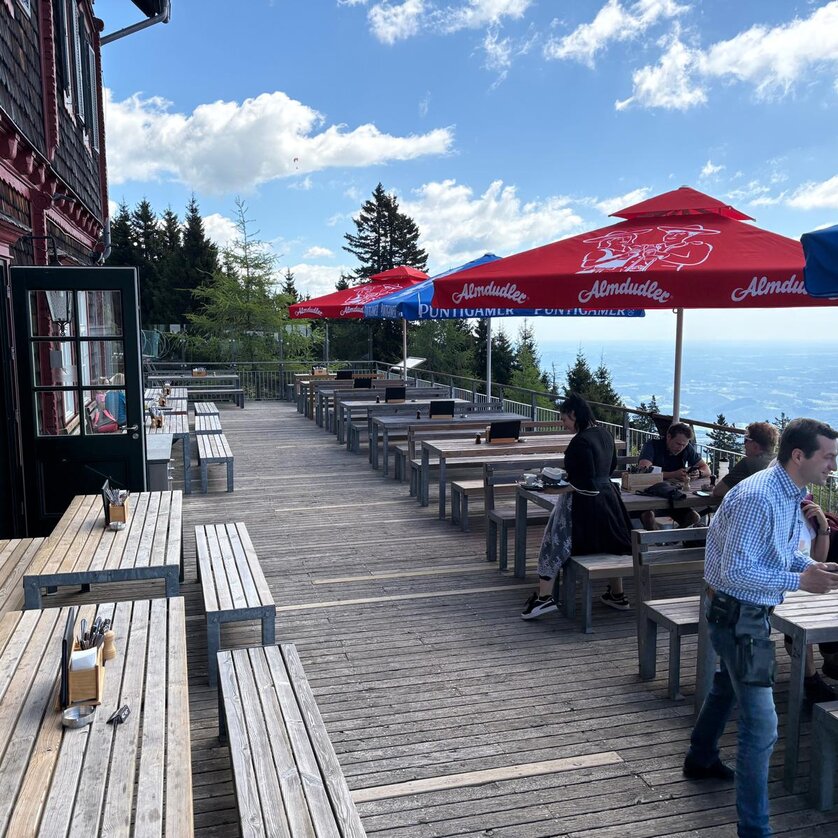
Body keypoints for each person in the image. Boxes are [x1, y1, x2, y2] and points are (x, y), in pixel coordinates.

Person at [684, 418, 838, 838]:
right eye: (829, 456)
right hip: (737, 616)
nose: (834, 465)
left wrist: (811, 566)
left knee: (725, 686)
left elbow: (778, 552)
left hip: (743, 612)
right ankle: (754, 829)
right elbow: (734, 572)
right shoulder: (759, 497)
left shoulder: (790, 492)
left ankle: (699, 757)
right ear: (799, 456)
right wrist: (800, 581)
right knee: (763, 727)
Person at [522, 393, 633, 619]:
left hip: (584, 504)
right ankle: (617, 594)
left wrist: (553, 489)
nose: (564, 425)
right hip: (609, 499)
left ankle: (544, 598)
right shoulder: (605, 434)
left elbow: (582, 482)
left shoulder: (580, 442)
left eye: (564, 420)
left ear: (574, 414)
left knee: (553, 543)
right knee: (610, 545)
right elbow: (609, 468)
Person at [637, 421, 711, 529]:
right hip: (650, 493)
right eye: (678, 444)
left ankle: (671, 542)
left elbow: (706, 469)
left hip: (673, 496)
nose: (680, 448)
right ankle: (656, 542)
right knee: (648, 516)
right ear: (668, 437)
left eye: (684, 445)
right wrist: (673, 474)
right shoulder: (652, 445)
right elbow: (644, 471)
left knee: (694, 518)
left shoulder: (687, 448)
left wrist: (698, 473)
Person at [712, 422, 778, 498]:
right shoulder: (779, 461)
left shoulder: (747, 463)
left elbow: (718, 491)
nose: (744, 445)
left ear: (755, 446)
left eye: (746, 440)